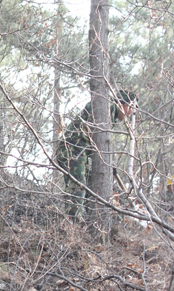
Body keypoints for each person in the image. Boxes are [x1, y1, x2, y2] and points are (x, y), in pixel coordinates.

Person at [56, 89, 137, 219]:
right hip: (72, 149)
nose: (131, 113)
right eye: (131, 108)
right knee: (78, 184)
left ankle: (90, 222)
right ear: (124, 104)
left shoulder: (111, 113)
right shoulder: (106, 108)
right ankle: (72, 225)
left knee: (91, 184)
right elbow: (96, 140)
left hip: (80, 151)